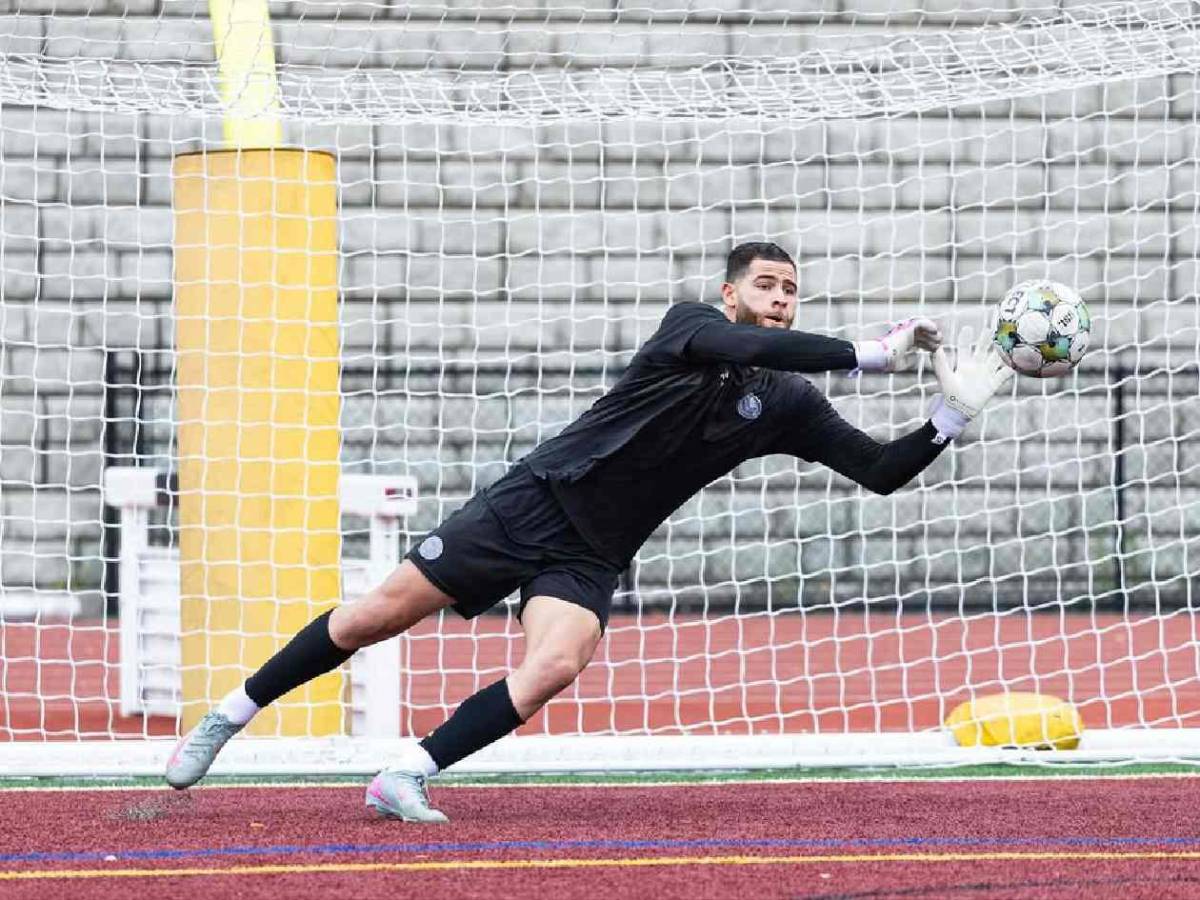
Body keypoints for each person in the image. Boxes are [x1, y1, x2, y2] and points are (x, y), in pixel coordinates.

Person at [164, 241, 1013, 821]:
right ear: (730, 292)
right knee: (370, 618)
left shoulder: (787, 400)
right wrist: (866, 352)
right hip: (533, 501)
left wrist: (950, 416)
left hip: (593, 550)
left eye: (790, 292)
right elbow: (739, 343)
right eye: (765, 286)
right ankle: (229, 716)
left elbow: (878, 471)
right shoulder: (690, 327)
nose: (779, 301)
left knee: (555, 666)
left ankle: (404, 776)